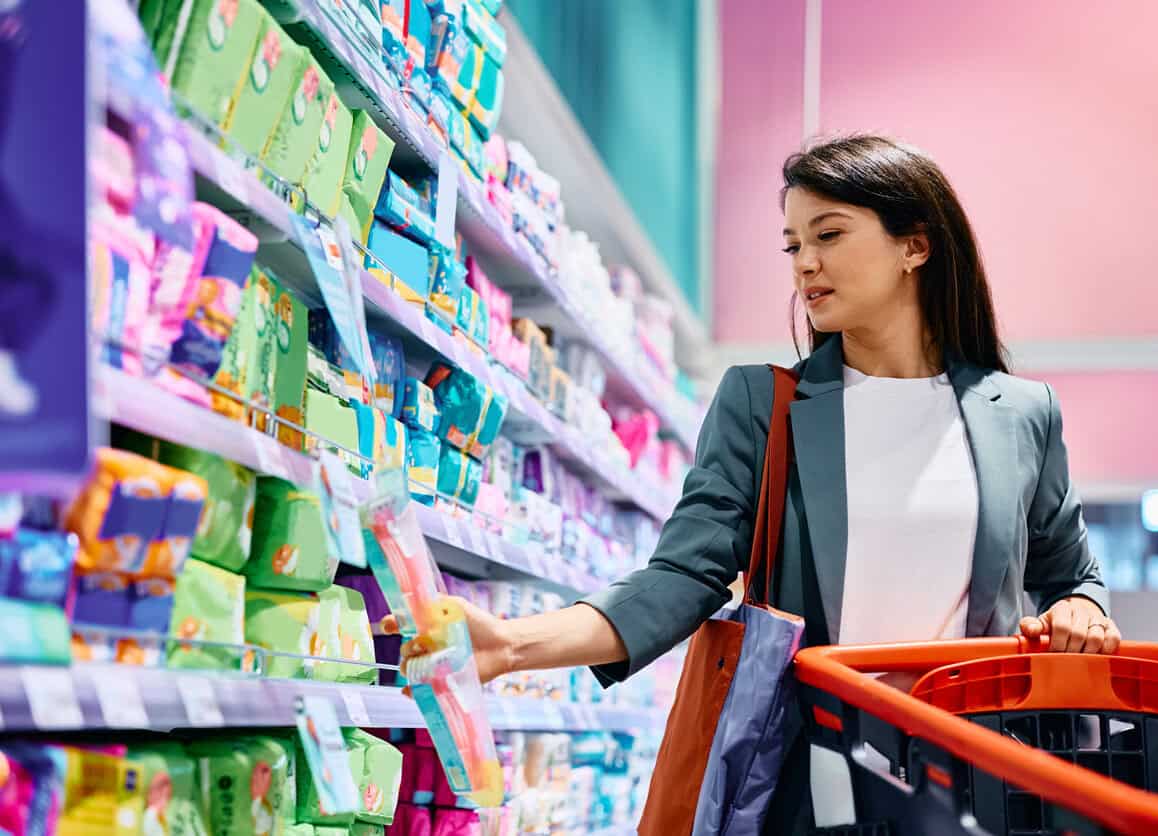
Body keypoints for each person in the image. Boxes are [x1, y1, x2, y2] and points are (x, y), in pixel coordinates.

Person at [402, 134, 1121, 832]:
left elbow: (1071, 576)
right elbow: (682, 576)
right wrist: (515, 645)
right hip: (812, 785)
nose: (804, 264)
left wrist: (1082, 613)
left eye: (829, 235)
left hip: (976, 783)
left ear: (916, 245)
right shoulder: (760, 404)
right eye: (793, 245)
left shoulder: (1021, 414)